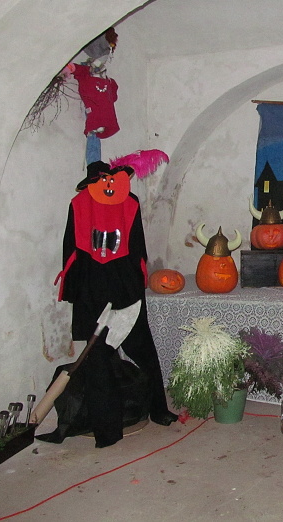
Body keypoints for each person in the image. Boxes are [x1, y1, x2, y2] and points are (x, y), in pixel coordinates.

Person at [44, 161, 177, 448]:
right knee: (98, 359)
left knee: (138, 348)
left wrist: (135, 283)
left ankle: (154, 410)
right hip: (95, 284)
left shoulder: (127, 202)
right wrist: (75, 289)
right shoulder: (81, 204)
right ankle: (108, 428)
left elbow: (135, 246)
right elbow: (73, 249)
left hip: (120, 284)